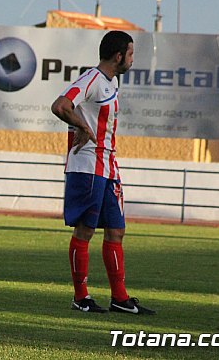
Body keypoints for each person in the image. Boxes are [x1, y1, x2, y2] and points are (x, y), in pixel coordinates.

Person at [51, 30, 155, 315]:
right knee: (84, 231)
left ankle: (120, 299)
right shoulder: (92, 79)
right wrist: (83, 128)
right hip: (87, 167)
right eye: (131, 54)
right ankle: (80, 297)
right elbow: (61, 105)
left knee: (116, 231)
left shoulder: (111, 82)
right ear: (119, 56)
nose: (133, 59)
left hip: (108, 167)